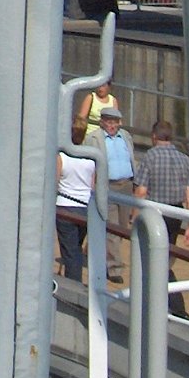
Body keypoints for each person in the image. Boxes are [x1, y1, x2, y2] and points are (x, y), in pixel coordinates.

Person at [136, 118, 189, 247]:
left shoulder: (149, 157)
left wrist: (135, 215)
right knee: (170, 246)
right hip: (175, 212)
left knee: (151, 247)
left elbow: (141, 192)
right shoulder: (185, 160)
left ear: (154, 136)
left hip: (153, 211)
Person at [95, 102, 136, 282]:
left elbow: (131, 157)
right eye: (108, 121)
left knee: (122, 227)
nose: (112, 125)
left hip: (126, 185)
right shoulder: (94, 138)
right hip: (108, 186)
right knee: (112, 227)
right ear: (102, 122)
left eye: (115, 122)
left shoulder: (125, 136)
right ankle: (115, 268)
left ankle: (107, 257)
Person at [54, 145, 98, 283]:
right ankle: (74, 280)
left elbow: (55, 181)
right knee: (76, 249)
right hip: (84, 207)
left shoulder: (62, 156)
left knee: (70, 252)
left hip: (65, 208)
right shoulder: (91, 157)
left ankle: (73, 285)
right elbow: (93, 185)